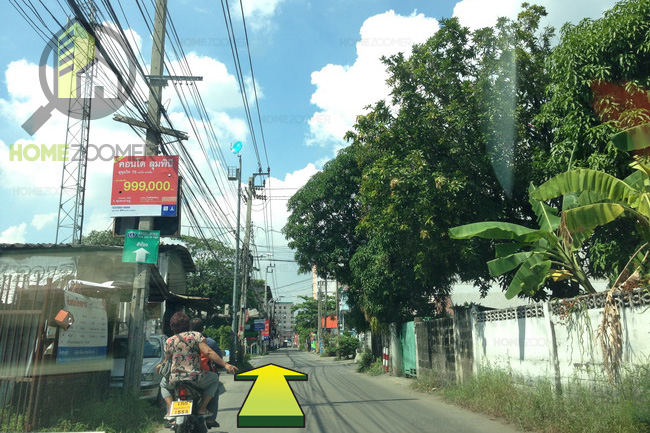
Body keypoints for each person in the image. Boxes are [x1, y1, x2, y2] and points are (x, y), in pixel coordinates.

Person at [156, 312, 237, 421]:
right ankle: (202, 408)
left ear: (172, 327)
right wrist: (226, 364)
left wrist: (160, 366)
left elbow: (166, 360)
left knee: (163, 385)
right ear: (188, 325)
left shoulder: (169, 341)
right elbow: (208, 352)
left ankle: (171, 409)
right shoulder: (196, 336)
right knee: (214, 379)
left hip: (175, 379)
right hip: (195, 378)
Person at [189, 317, 223, 428]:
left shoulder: (182, 340)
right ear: (203, 328)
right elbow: (217, 357)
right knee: (215, 387)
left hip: (181, 375)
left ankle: (171, 413)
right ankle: (210, 419)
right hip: (203, 376)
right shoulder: (209, 342)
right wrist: (225, 365)